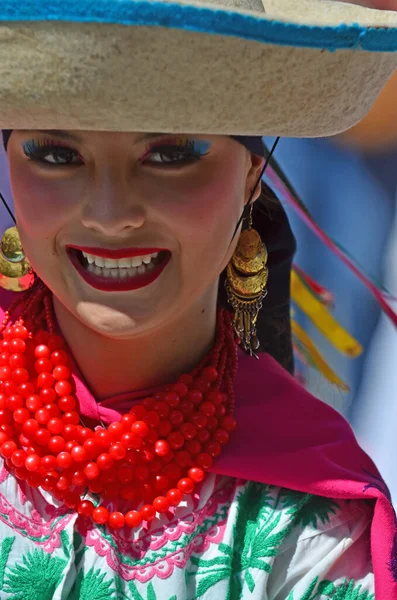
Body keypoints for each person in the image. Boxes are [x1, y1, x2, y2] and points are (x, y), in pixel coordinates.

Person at [0, 1, 395, 599]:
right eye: (57, 155)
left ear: (250, 179)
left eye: (169, 154)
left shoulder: (309, 531)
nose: (111, 216)